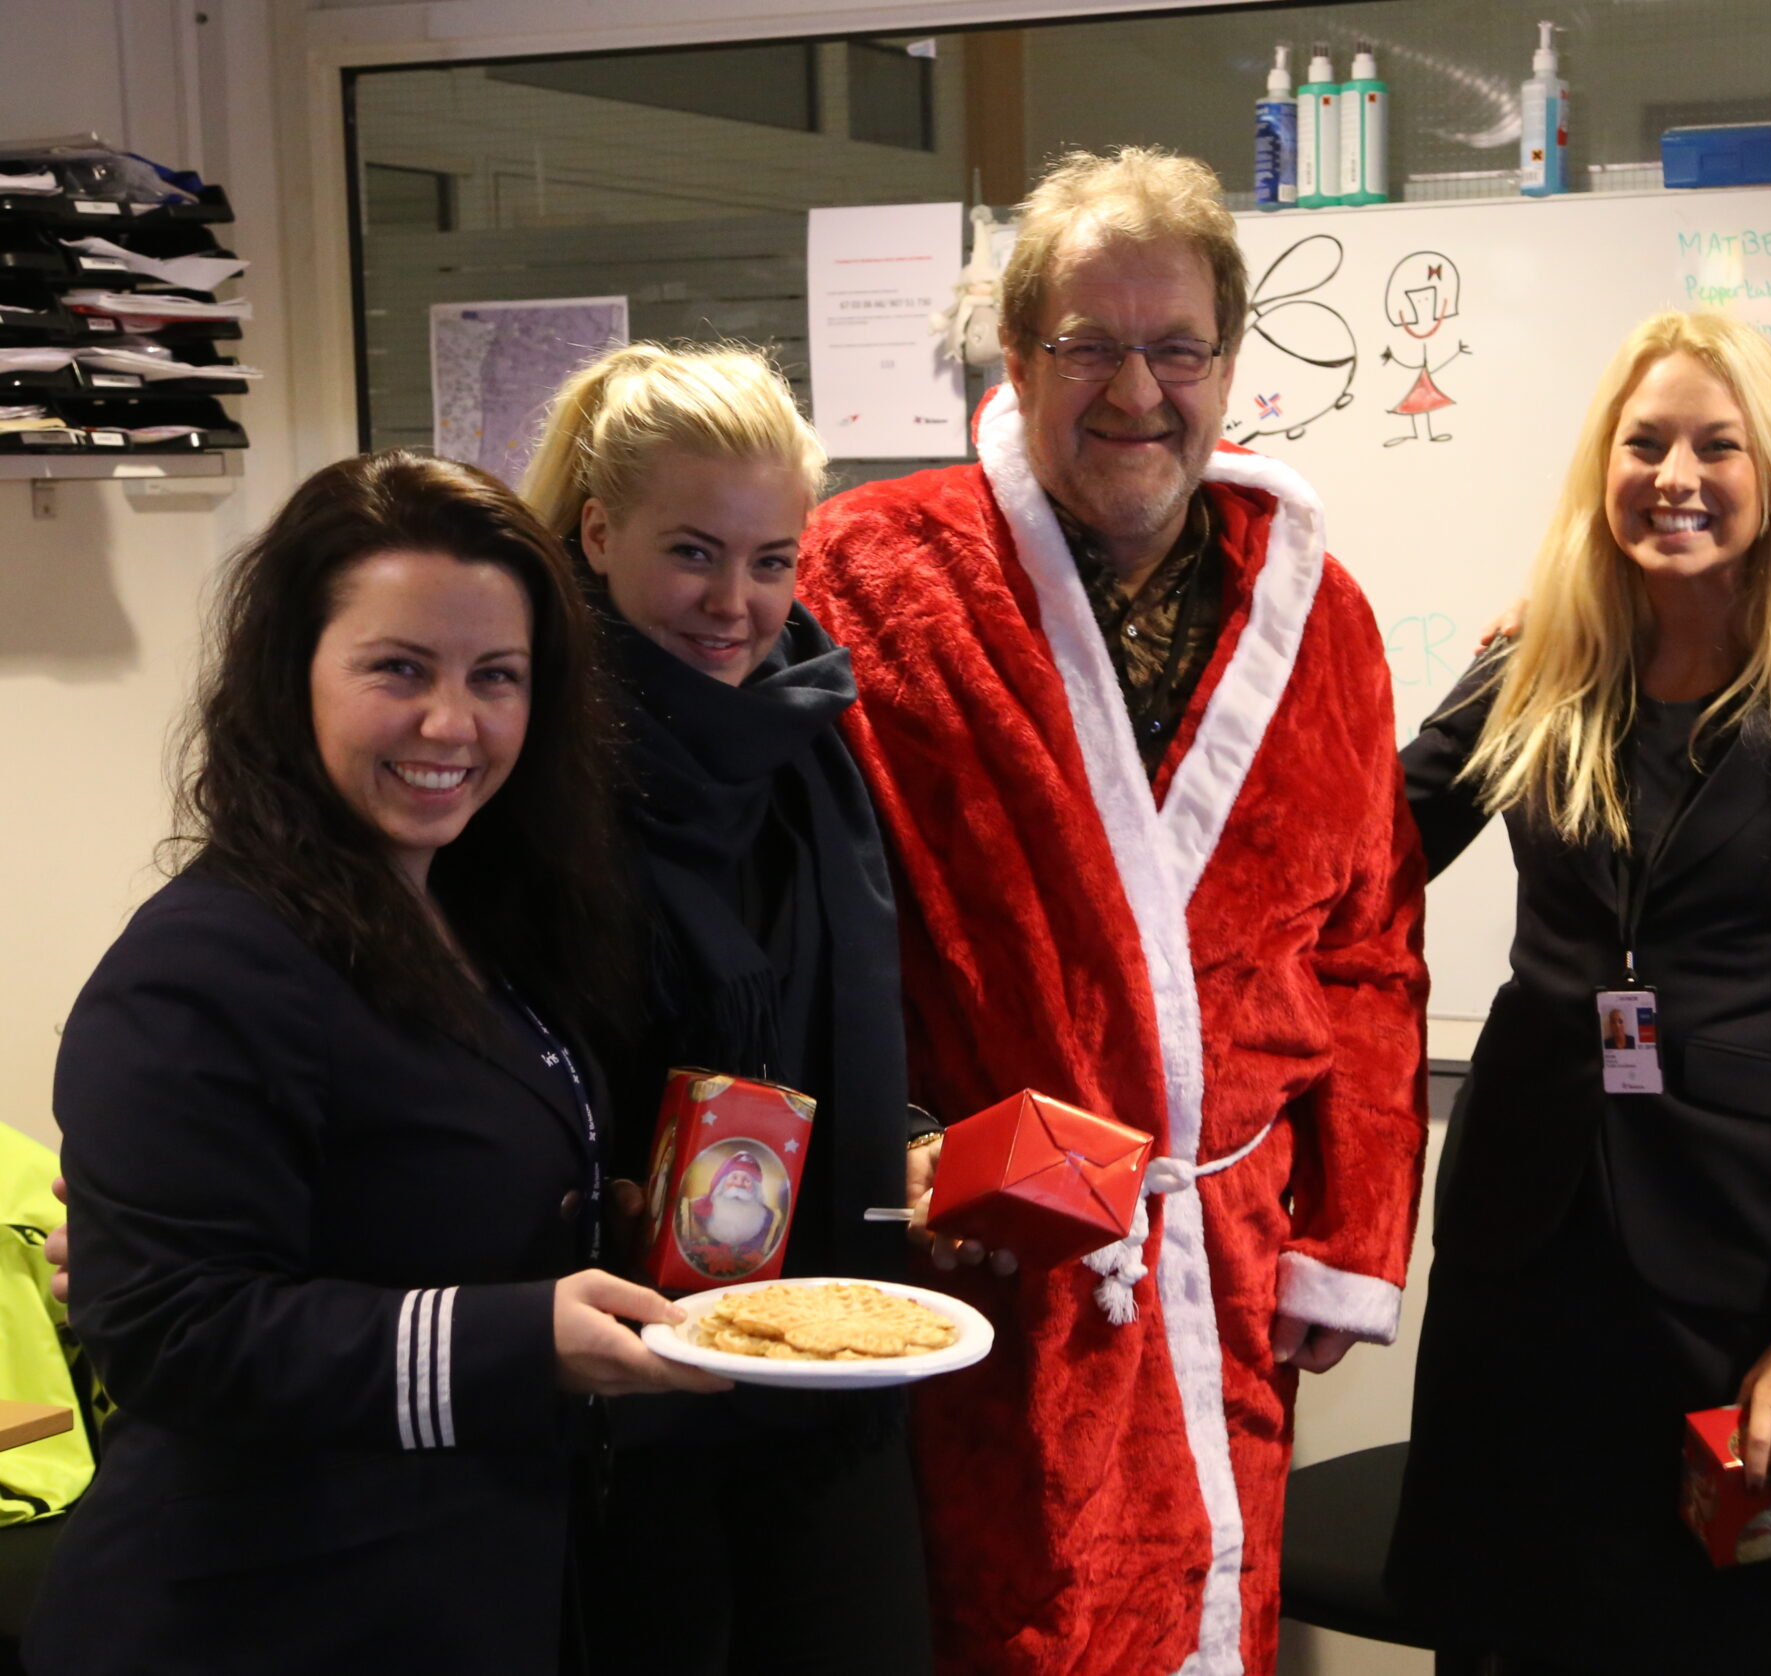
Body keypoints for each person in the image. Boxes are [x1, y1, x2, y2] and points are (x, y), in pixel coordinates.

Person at [795, 146, 1430, 1675]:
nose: (1138, 389)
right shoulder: (876, 573)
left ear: (1229, 365)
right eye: (1090, 345)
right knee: (1000, 1622)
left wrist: (1348, 1232)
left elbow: (1370, 944)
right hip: (977, 1258)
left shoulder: (1315, 609)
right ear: (1018, 358)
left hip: (1224, 1255)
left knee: (1210, 1609)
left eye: (1177, 348)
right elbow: (789, 921)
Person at [25, 450, 725, 1676]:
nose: (452, 722)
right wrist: (522, 1339)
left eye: (495, 677)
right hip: (260, 1615)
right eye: (398, 669)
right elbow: (168, 1332)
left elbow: (406, 1203)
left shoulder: (482, 916)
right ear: (291, 676)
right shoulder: (203, 965)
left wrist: (599, 1230)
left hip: (455, 1590)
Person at [1386, 311, 1771, 1675]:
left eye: (1715, 445)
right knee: (1515, 1627)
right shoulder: (1540, 671)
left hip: (1742, 1263)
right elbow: (1362, 850)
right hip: (1528, 1235)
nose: (1675, 475)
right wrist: (1484, 671)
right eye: (1644, 445)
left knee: (1734, 1630)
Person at [516, 341, 931, 1675]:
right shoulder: (523, 762)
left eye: (772, 561)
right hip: (621, 1385)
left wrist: (906, 1135)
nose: (737, 606)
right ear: (595, 533)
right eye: (693, 552)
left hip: (831, 1353)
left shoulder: (817, 741)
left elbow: (837, 1007)